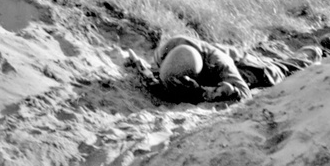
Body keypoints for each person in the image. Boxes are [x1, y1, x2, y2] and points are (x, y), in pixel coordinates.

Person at [127, 35, 320, 104]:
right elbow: (149, 75)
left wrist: (213, 92)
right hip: (213, 70)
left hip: (247, 67)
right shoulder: (166, 57)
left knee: (280, 70)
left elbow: (243, 93)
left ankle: (315, 51)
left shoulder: (218, 60)